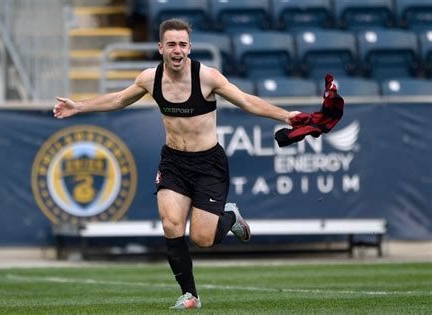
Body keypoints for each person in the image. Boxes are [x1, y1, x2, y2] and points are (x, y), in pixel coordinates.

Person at [53, 18, 300, 309]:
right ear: (161, 48)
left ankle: (230, 216)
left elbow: (246, 101)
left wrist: (286, 116)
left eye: (183, 44)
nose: (177, 49)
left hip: (209, 164)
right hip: (173, 162)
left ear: (190, 48)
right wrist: (79, 106)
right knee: (171, 225)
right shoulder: (150, 78)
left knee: (202, 238)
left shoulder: (207, 77)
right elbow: (119, 100)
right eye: (171, 44)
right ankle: (190, 295)